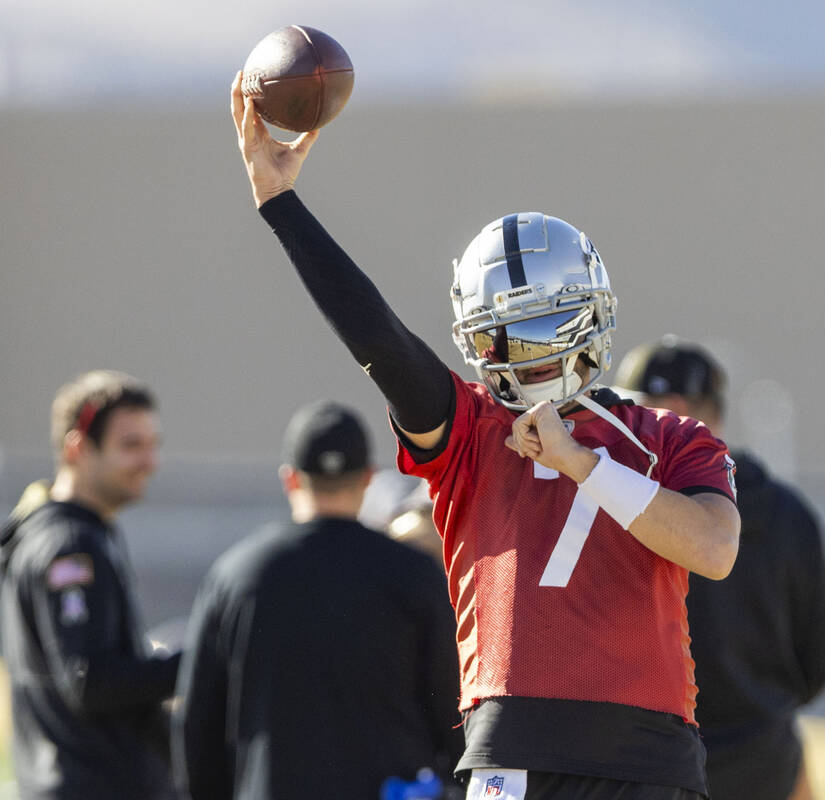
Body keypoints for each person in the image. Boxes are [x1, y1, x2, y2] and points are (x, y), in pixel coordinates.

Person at [229, 74, 741, 800]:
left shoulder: (668, 437)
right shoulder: (471, 429)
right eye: (507, 338)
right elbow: (380, 340)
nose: (528, 355)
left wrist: (583, 464)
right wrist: (282, 207)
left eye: (544, 329)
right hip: (513, 741)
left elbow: (714, 550)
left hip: (646, 754)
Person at [171, 400, 463, 800]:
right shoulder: (415, 574)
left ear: (290, 479)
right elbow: (452, 707)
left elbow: (198, 721)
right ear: (367, 478)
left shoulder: (236, 575)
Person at [614, 337, 825, 800]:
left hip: (648, 765)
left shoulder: (615, 509)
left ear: (674, 412)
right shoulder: (787, 511)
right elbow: (821, 660)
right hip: (764, 763)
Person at [0, 369, 180, 799]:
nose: (149, 461)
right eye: (131, 445)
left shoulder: (71, 532)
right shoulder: (70, 544)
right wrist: (200, 662)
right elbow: (89, 680)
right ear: (78, 448)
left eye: (153, 445)